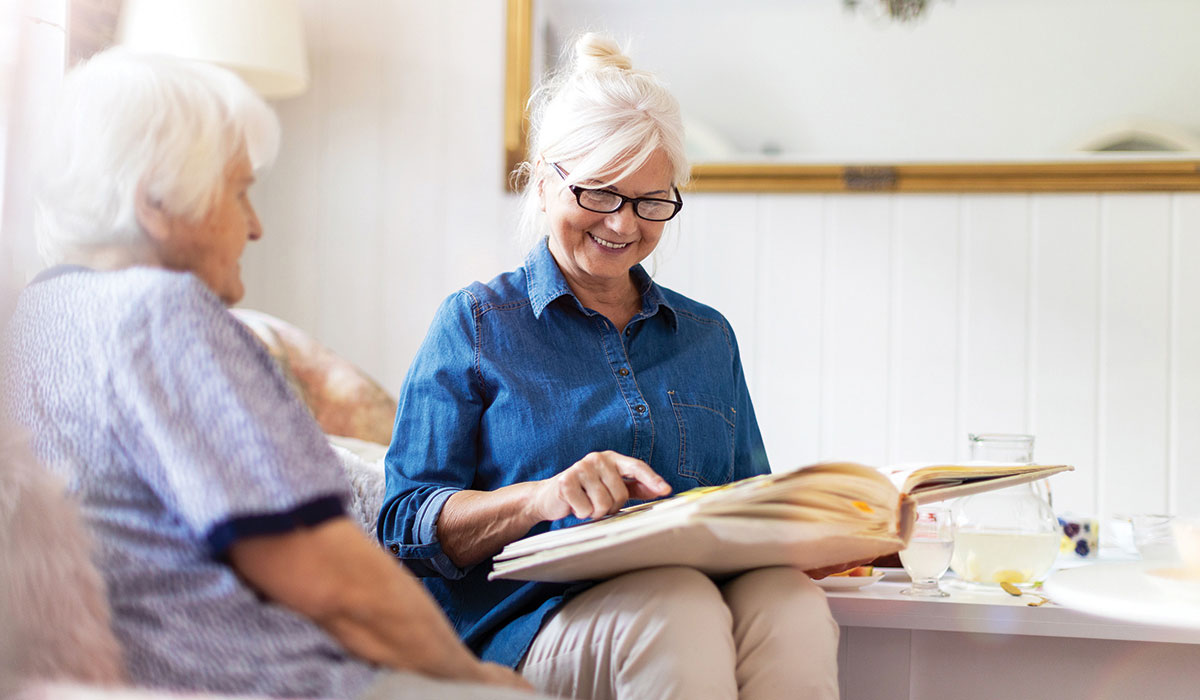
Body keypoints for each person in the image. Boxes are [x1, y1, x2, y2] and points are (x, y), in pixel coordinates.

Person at [1, 49, 539, 699]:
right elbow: (328, 579)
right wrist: (475, 679)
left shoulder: (34, 320)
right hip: (268, 682)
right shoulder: (159, 313)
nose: (255, 226)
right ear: (155, 203)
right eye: (238, 190)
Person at [379, 34, 851, 700]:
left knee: (791, 602)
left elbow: (751, 506)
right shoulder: (477, 324)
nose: (624, 225)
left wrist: (831, 533)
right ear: (545, 182)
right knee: (677, 603)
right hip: (525, 625)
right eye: (601, 194)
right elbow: (403, 523)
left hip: (691, 605)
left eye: (651, 201)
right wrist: (542, 497)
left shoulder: (707, 337)